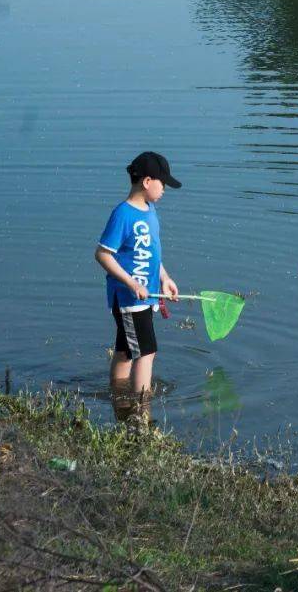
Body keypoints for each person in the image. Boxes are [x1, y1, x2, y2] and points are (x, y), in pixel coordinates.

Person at [94, 151, 181, 411]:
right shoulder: (123, 214)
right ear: (146, 182)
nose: (164, 188)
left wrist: (164, 278)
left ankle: (118, 395)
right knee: (146, 352)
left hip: (147, 296)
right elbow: (102, 254)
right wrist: (132, 284)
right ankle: (142, 410)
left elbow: (151, 254)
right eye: (162, 182)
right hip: (131, 299)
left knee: (125, 350)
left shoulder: (150, 212)